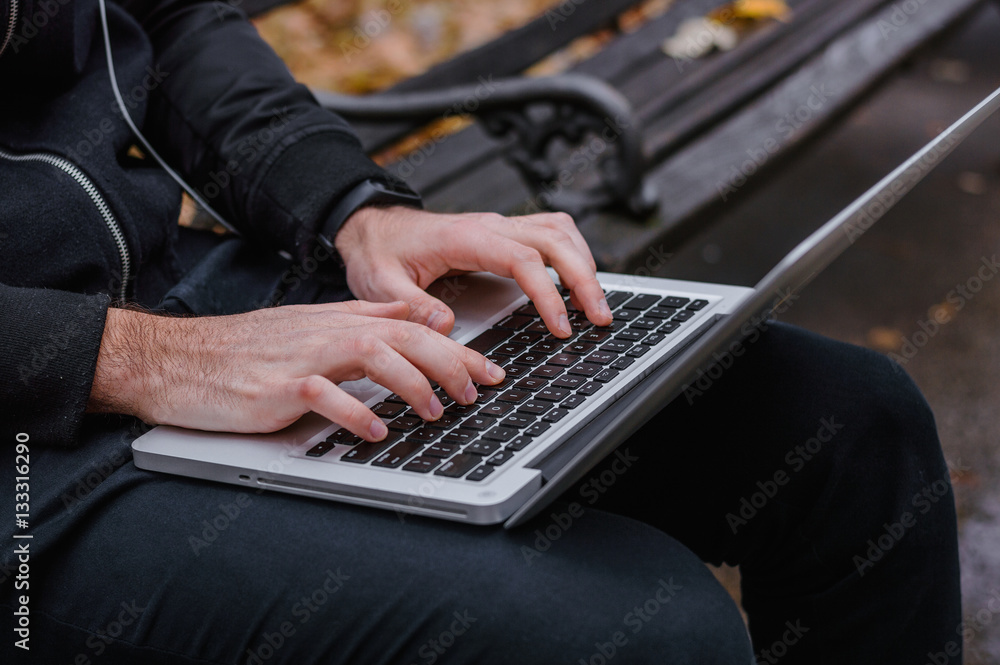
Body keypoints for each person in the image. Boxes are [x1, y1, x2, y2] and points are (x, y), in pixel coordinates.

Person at [0, 1, 961, 663]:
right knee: (651, 630)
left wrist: (353, 206)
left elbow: (167, 22)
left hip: (176, 282)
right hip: (34, 440)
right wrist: (133, 357)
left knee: (850, 428)